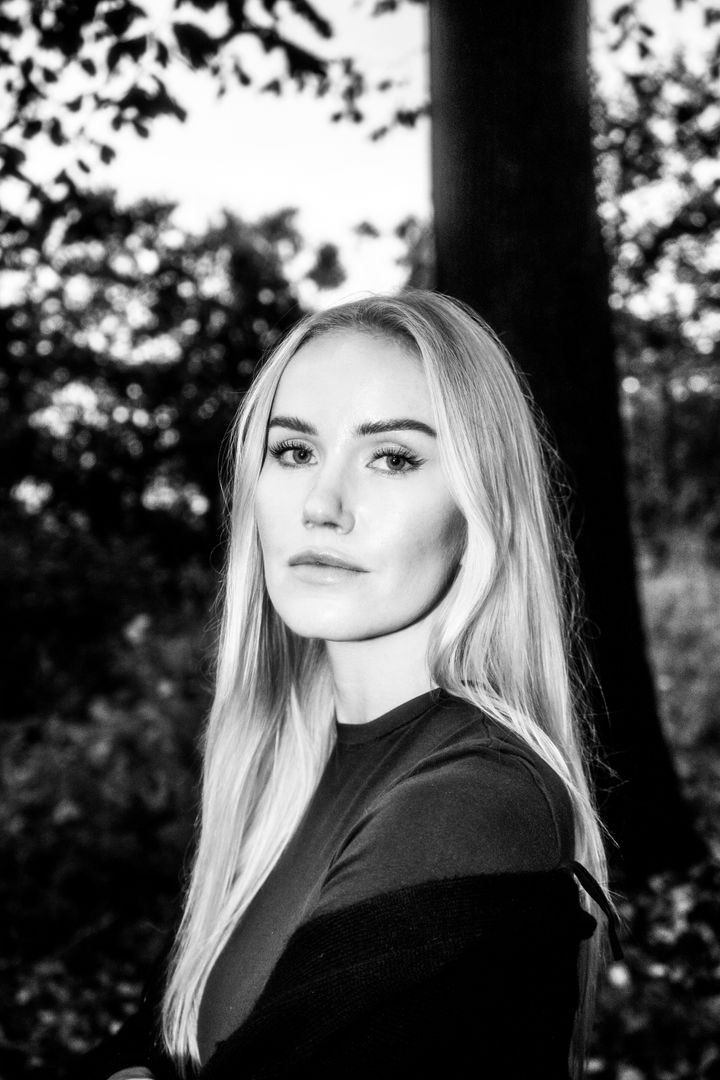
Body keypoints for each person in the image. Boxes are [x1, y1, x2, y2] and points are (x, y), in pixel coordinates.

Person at [81, 291, 619, 1080]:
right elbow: (152, 1042)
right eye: (295, 451)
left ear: (482, 508)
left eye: (393, 458)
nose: (322, 505)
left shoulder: (473, 797)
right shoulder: (276, 777)